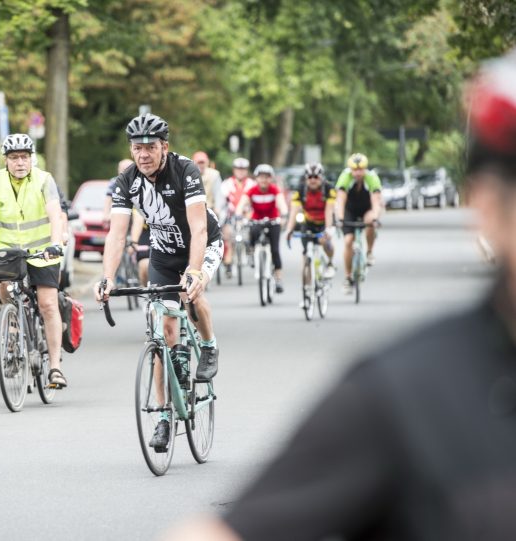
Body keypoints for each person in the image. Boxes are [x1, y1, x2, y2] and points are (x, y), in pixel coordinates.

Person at [160, 48, 516, 541]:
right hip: (301, 226)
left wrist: (360, 220)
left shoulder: (353, 182)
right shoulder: (405, 393)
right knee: (327, 244)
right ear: (488, 209)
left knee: (344, 235)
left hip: (330, 219)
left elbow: (355, 203)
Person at [95, 113, 223, 450]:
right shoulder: (127, 181)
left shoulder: (186, 171)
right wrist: (107, 278)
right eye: (137, 148)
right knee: (164, 331)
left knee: (193, 296)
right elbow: (116, 234)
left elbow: (198, 227)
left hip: (203, 243)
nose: (143, 155)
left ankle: (209, 346)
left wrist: (195, 272)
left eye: (150, 147)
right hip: (164, 254)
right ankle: (164, 415)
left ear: (164, 147)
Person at [0, 134, 68, 389]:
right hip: (8, 251)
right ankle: (13, 326)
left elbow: (55, 214)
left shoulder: (44, 180)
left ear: (31, 158)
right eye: (14, 158)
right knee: (6, 291)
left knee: (47, 304)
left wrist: (56, 244)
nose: (20, 162)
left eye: (24, 157)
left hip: (43, 251)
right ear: (6, 160)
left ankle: (55, 367)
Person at [334, 152, 383, 294]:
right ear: (350, 169)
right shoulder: (345, 178)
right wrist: (340, 219)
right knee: (348, 241)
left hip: (366, 208)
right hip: (350, 209)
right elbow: (340, 201)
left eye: (360, 169)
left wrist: (375, 217)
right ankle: (348, 277)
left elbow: (376, 201)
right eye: (355, 170)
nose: (357, 173)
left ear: (365, 169)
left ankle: (369, 252)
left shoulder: (372, 178)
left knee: (370, 221)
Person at [235, 163, 288, 293]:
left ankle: (278, 278)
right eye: (261, 177)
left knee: (275, 250)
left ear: (271, 178)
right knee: (252, 232)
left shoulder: (275, 190)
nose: (264, 180)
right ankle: (252, 252)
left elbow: (282, 204)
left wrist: (284, 215)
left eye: (267, 177)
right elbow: (242, 204)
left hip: (273, 221)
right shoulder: (252, 190)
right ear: (256, 178)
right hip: (257, 220)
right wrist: (239, 216)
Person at [284, 162, 337, 279]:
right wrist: (288, 230)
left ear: (321, 177)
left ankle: (330, 262)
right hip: (308, 222)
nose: (313, 180)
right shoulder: (300, 190)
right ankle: (307, 289)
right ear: (306, 178)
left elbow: (329, 211)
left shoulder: (328, 189)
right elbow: (294, 211)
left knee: (324, 241)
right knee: (305, 253)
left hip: (324, 221)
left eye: (316, 177)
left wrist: (328, 229)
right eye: (310, 177)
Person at [220, 157, 255, 278]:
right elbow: (222, 201)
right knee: (227, 234)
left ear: (246, 170)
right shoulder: (227, 184)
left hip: (247, 214)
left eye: (243, 169)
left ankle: (251, 249)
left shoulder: (252, 184)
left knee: (253, 229)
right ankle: (228, 263)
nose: (240, 171)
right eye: (238, 169)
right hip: (231, 214)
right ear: (234, 170)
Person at [193, 151, 226, 219]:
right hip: (193, 210)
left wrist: (217, 209)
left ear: (207, 163)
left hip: (210, 210)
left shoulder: (214, 175)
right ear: (194, 163)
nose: (201, 165)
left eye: (203, 163)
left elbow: (218, 194)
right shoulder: (189, 175)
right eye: (199, 163)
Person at [103, 158, 135, 226]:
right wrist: (106, 214)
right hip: (119, 213)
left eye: (127, 168)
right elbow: (108, 198)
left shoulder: (137, 182)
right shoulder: (114, 182)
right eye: (122, 169)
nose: (125, 171)